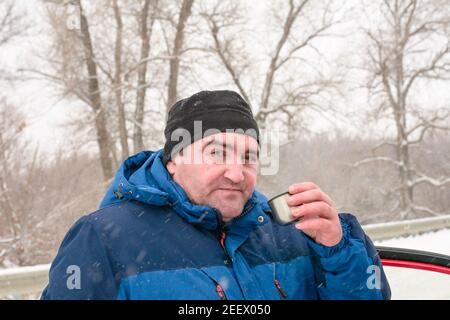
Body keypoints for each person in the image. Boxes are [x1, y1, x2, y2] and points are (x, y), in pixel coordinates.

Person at [41, 90, 391, 300]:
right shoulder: (102, 239)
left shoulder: (293, 231)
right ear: (174, 160)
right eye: (216, 152)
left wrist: (337, 251)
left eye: (249, 156)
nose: (237, 173)